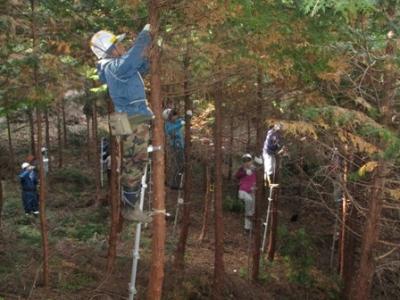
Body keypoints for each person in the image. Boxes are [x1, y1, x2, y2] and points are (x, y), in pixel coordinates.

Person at [91, 25, 153, 223]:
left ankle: (128, 201)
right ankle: (130, 206)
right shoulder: (114, 66)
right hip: (130, 117)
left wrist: (152, 48)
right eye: (118, 44)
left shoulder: (114, 66)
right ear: (110, 50)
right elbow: (133, 60)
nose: (122, 46)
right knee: (136, 161)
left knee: (130, 160)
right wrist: (146, 34)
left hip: (123, 117)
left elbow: (141, 65)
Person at [163, 108, 185, 189]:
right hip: (175, 147)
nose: (175, 117)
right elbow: (170, 130)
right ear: (168, 117)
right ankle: (174, 185)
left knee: (181, 165)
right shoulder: (168, 124)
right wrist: (181, 124)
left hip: (180, 146)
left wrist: (187, 117)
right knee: (178, 165)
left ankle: (177, 183)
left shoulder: (177, 121)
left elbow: (181, 119)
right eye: (172, 116)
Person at [235, 154, 256, 231]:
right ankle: (248, 226)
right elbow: (237, 175)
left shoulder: (254, 169)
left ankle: (248, 228)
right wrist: (245, 172)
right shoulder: (241, 169)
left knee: (252, 210)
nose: (247, 163)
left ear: (251, 161)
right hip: (243, 191)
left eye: (248, 160)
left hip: (252, 191)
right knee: (249, 201)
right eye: (245, 161)